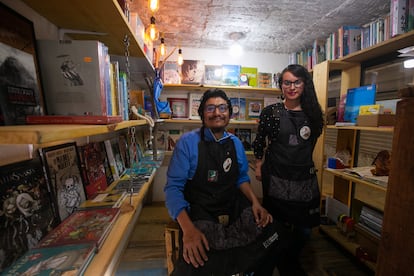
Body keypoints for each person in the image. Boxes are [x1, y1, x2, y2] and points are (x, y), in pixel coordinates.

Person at [164, 88, 282, 276]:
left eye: (222, 108)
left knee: (271, 232)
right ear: (202, 113)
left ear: (229, 113)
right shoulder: (187, 143)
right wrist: (188, 230)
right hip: (200, 208)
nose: (217, 113)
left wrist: (255, 203)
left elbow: (241, 178)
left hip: (231, 204)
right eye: (210, 108)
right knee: (202, 251)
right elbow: (173, 189)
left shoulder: (235, 142)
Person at [252, 64, 324, 275]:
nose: (292, 87)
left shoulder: (313, 115)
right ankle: (280, 261)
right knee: (276, 223)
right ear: (281, 85)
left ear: (304, 84)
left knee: (304, 228)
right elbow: (259, 142)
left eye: (297, 82)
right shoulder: (271, 113)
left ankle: (288, 258)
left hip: (303, 177)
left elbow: (310, 144)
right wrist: (258, 165)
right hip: (276, 175)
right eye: (287, 82)